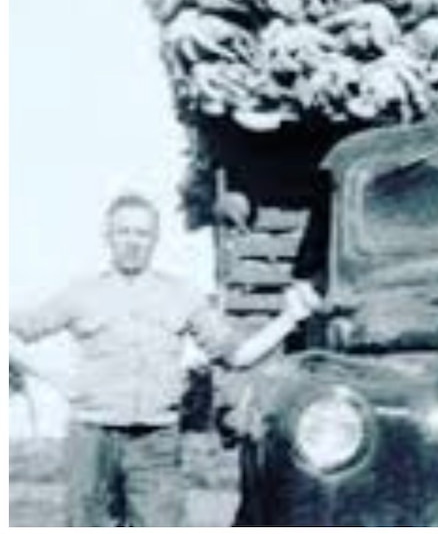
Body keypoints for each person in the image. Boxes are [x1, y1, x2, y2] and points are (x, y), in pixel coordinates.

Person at [9, 192, 320, 527]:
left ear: (155, 239)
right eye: (123, 232)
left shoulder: (181, 295)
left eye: (142, 234)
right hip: (92, 438)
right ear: (108, 237)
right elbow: (15, 331)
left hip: (156, 444)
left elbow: (238, 356)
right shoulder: (81, 293)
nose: (132, 242)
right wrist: (54, 377)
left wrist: (289, 318)